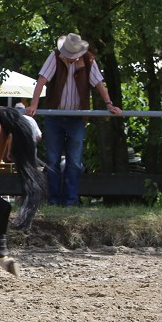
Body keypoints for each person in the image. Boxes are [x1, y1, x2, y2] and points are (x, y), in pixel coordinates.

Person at [26, 33, 122, 206]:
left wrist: (109, 104)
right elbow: (42, 80)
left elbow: (99, 83)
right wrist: (34, 105)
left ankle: (70, 200)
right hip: (54, 115)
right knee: (53, 159)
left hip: (77, 117)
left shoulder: (88, 60)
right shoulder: (55, 56)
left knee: (75, 162)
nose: (70, 59)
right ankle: (53, 200)